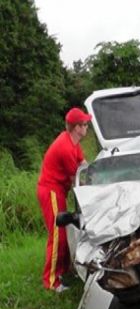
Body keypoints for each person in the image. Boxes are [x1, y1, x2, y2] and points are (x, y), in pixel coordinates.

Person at [37, 107, 91, 292]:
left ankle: (63, 270)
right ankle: (51, 281)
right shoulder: (65, 147)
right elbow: (75, 181)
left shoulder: (73, 142)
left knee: (64, 232)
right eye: (84, 124)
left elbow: (84, 165)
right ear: (77, 127)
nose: (87, 127)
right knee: (57, 235)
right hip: (51, 190)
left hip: (58, 190)